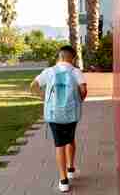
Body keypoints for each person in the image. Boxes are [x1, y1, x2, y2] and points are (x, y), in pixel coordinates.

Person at [30, 45, 87, 192]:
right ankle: (71, 169)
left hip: (53, 114)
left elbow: (33, 86)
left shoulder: (49, 72)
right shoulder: (76, 72)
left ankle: (63, 180)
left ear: (59, 56)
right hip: (71, 114)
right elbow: (83, 90)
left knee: (59, 144)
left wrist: (44, 98)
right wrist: (80, 100)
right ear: (73, 58)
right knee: (71, 138)